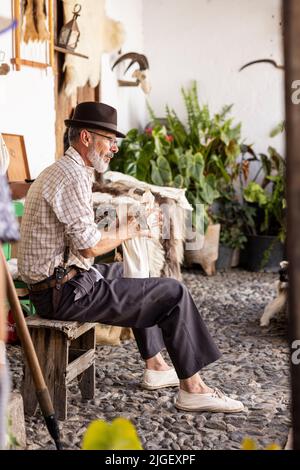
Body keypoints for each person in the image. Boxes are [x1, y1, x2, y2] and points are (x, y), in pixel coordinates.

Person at [18, 101, 244, 413]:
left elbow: (79, 236)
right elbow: (88, 247)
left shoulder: (71, 171)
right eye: (109, 140)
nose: (114, 148)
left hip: (61, 282)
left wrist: (126, 226)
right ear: (86, 138)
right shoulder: (70, 176)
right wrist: (133, 229)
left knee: (133, 272)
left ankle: (156, 365)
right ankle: (193, 388)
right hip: (62, 294)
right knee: (173, 292)